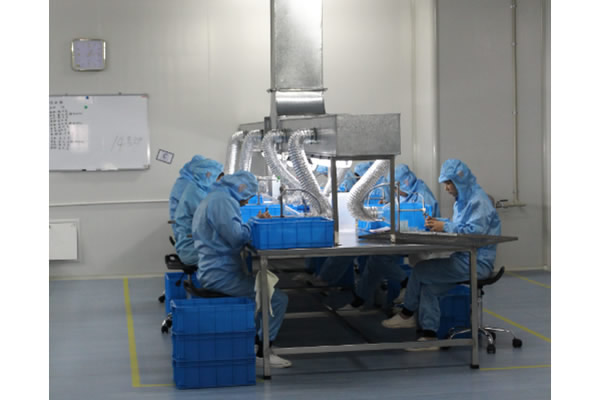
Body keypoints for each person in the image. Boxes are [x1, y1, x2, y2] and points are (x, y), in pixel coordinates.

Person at [381, 159, 501, 351]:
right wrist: (439, 222)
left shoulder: (478, 201)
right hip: (464, 258)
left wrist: (444, 226)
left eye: (448, 183)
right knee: (429, 289)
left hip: (476, 263)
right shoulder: (464, 199)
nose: (446, 188)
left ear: (459, 180)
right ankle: (429, 338)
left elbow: (474, 234)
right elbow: (461, 225)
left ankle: (407, 314)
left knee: (420, 270)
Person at [191, 171, 292, 368]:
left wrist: (253, 222)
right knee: (276, 298)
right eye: (248, 196)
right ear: (240, 188)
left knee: (263, 291)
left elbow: (231, 231)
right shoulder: (222, 201)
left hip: (214, 269)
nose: (246, 201)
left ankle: (257, 341)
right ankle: (263, 352)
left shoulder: (217, 197)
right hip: (220, 275)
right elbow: (236, 238)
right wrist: (254, 223)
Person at [338, 164, 440, 311]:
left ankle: (405, 283)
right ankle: (361, 299)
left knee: (380, 259)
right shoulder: (406, 192)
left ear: (405, 182)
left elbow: (419, 219)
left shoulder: (422, 195)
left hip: (420, 240)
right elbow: (397, 210)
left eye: (395, 188)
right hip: (404, 237)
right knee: (375, 260)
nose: (394, 191)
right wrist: (385, 207)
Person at [172, 158, 223, 265]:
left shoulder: (197, 189)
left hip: (193, 244)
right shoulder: (197, 193)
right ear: (208, 175)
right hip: (192, 249)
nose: (218, 183)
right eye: (217, 178)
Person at [168, 155, 208, 229]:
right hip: (185, 224)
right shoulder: (188, 183)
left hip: (181, 222)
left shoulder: (184, 179)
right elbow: (195, 205)